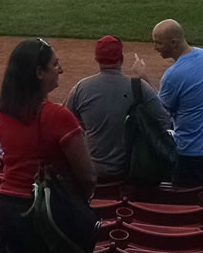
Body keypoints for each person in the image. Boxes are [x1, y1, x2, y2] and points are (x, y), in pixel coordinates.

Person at [0, 39, 97, 253]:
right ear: (39, 73)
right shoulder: (59, 116)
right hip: (44, 211)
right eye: (55, 64)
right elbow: (88, 175)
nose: (60, 69)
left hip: (7, 207)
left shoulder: (2, 111)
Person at [65, 36, 167, 183]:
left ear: (97, 59)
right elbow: (164, 122)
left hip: (94, 171)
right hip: (131, 171)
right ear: (122, 58)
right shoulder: (140, 87)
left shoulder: (81, 88)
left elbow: (66, 125)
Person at [153, 20, 203, 187]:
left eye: (158, 43)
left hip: (193, 155)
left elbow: (159, 112)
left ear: (173, 43)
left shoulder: (173, 75)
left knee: (187, 207)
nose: (155, 48)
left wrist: (142, 80)